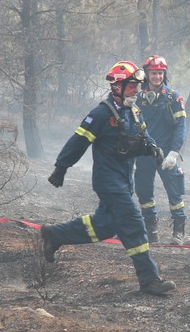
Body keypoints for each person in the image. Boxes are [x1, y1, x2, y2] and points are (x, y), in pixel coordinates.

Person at [40, 61, 176, 297]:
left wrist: (152, 149)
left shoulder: (133, 112)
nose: (136, 90)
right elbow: (78, 141)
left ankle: (56, 234)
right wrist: (61, 167)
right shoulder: (102, 113)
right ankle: (149, 279)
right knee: (134, 223)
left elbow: (144, 137)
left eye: (137, 86)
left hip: (125, 181)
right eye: (132, 86)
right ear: (117, 86)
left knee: (104, 226)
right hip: (108, 182)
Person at [134, 55, 189, 244]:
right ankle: (151, 231)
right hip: (144, 153)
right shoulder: (138, 99)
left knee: (175, 192)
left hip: (166, 154)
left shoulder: (173, 98)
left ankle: (178, 232)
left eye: (159, 73)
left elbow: (182, 126)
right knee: (144, 193)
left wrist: (174, 152)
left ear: (164, 74)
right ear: (146, 75)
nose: (156, 77)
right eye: (153, 73)